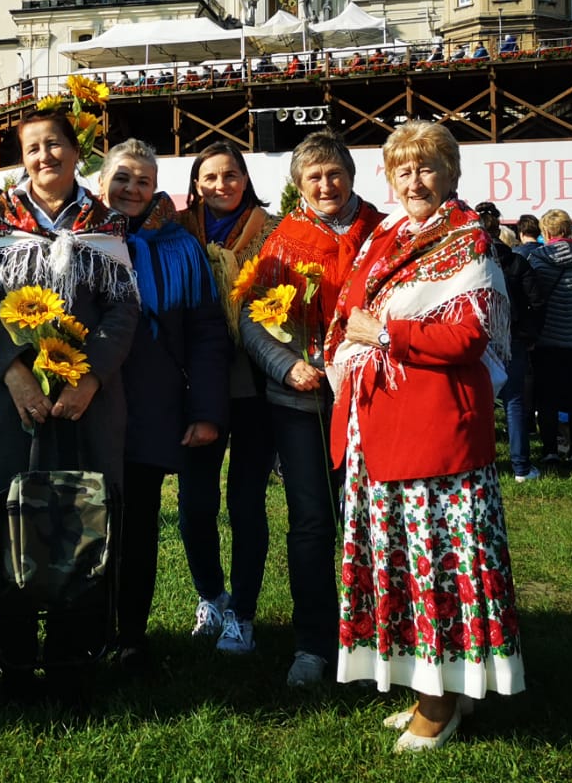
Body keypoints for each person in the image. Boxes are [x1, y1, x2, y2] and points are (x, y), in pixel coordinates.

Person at [325, 120, 524, 750]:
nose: (414, 181)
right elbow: (350, 314)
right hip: (380, 420)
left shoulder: (468, 240)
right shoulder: (385, 236)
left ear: (451, 174)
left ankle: (439, 703)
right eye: (403, 169)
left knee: (437, 562)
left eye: (427, 167)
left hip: (435, 429)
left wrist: (387, 334)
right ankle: (436, 686)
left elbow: (467, 336)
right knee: (402, 561)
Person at [0, 111, 142, 692]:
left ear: (75, 151)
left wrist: (89, 379)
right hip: (7, 401)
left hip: (85, 403)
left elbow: (123, 309)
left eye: (55, 144)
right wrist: (14, 374)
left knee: (81, 517)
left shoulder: (104, 223)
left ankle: (74, 653)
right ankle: (13, 655)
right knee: (7, 519)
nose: (45, 156)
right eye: (33, 148)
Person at [238, 132, 382, 687]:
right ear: (299, 184)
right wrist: (286, 366)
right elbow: (251, 317)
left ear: (351, 175)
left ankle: (371, 642)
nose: (326, 185)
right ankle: (313, 644)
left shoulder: (382, 234)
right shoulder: (281, 241)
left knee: (369, 522)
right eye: (313, 177)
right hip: (300, 402)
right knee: (312, 522)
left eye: (334, 173)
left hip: (369, 400)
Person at [99, 140, 228, 670]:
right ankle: (83, 630)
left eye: (143, 181)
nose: (132, 189)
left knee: (137, 524)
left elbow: (206, 333)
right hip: (86, 405)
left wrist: (206, 410)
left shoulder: (180, 247)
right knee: (87, 520)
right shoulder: (80, 237)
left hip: (150, 407)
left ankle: (130, 635)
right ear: (103, 182)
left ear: (156, 188)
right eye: (122, 178)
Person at [175, 140, 275, 655]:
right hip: (196, 383)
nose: (221, 185)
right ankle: (211, 596)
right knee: (195, 504)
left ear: (245, 178)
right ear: (196, 184)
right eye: (210, 177)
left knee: (246, 502)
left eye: (230, 175)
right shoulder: (176, 232)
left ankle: (244, 612)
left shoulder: (272, 231)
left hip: (255, 382)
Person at [522, 209, 572, 468]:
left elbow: (532, 297)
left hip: (547, 339)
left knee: (547, 399)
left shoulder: (537, 259)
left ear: (546, 232)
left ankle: (550, 451)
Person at [475, 202, 538, 483]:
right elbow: (536, 301)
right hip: (513, 337)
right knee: (514, 402)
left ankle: (483, 464)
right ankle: (521, 466)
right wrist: (529, 333)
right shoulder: (516, 262)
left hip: (479, 339)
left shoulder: (473, 263)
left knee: (479, 402)